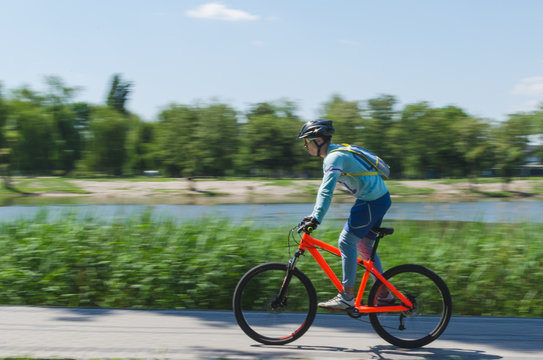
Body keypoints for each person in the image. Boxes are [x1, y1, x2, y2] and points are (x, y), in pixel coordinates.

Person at [297, 119, 394, 310]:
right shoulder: (337, 151)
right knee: (363, 246)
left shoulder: (333, 158)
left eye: (307, 141)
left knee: (345, 241)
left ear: (318, 140)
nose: (305, 146)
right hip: (379, 199)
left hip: (371, 201)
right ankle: (384, 295)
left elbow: (326, 191)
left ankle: (347, 296)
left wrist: (316, 217)